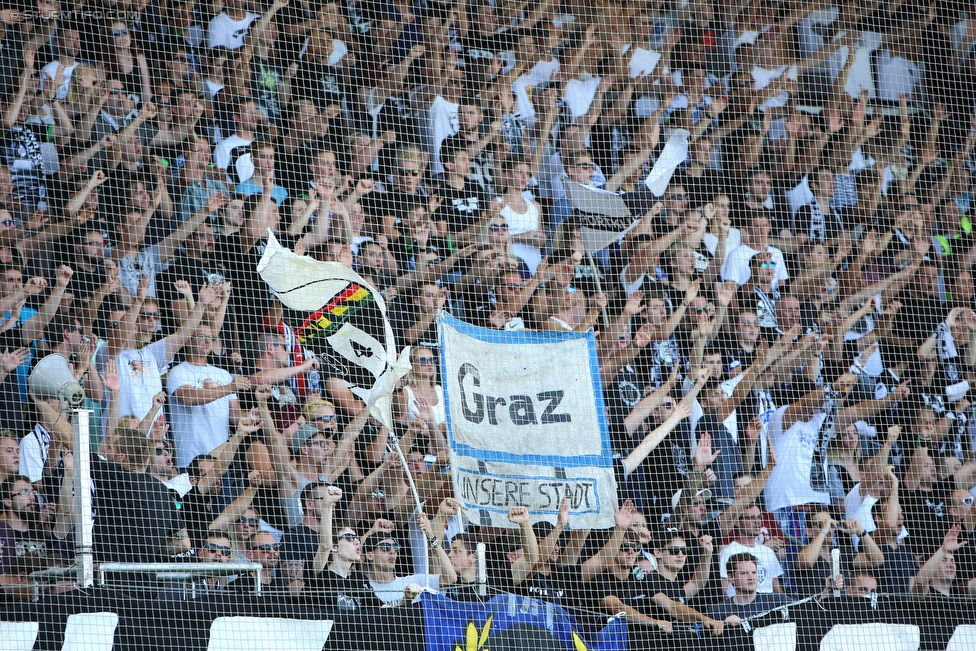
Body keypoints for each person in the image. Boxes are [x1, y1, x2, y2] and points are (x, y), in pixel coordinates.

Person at [167, 323, 247, 468]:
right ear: (188, 340)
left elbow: (235, 415)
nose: (208, 341)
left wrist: (254, 415)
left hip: (221, 460)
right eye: (202, 336)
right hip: (191, 461)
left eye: (211, 337)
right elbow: (188, 397)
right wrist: (229, 388)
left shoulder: (223, 374)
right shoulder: (178, 372)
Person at [706, 554, 792, 622]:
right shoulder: (717, 612)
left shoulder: (779, 602)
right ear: (730, 577)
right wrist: (726, 626)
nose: (751, 577)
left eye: (754, 572)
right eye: (744, 573)